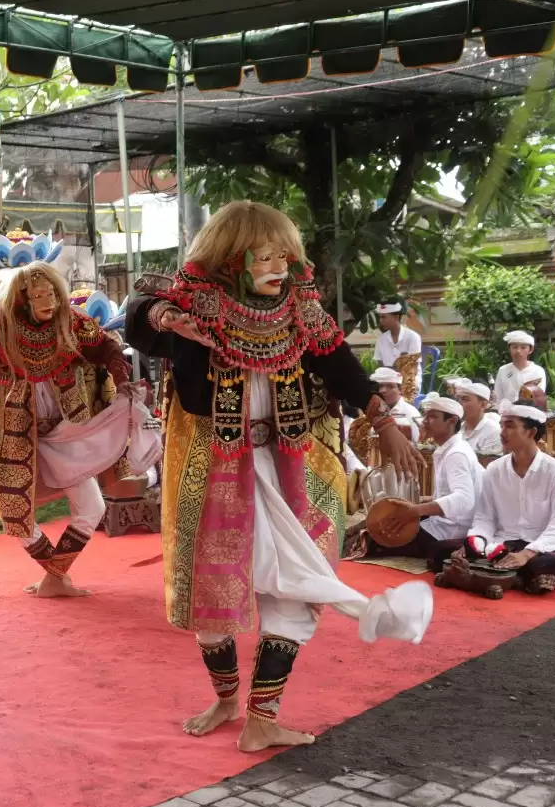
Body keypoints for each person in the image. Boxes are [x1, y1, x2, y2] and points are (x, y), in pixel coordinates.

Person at [125, 200, 431, 754]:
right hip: (214, 468)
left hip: (287, 468)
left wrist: (382, 420)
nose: (279, 269)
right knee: (210, 596)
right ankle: (224, 699)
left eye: (285, 257)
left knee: (296, 582)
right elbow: (138, 315)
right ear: (231, 259)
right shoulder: (194, 305)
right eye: (265, 257)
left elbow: (339, 363)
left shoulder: (301, 310)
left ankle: (261, 717)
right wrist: (170, 321)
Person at [0, 262, 161, 598]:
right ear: (23, 299)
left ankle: (54, 576)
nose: (48, 300)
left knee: (93, 509)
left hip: (68, 432)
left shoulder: (72, 321)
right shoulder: (0, 323)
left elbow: (108, 348)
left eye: (52, 292)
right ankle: (55, 576)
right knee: (14, 513)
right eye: (39, 295)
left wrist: (123, 379)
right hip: (18, 433)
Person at [441, 404, 555, 594]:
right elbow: (484, 518)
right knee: (443, 549)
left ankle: (487, 576)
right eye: (502, 425)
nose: (502, 432)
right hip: (500, 543)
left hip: (538, 547)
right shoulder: (494, 469)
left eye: (510, 426)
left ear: (531, 432)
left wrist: (526, 554)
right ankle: (513, 578)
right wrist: (475, 542)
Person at [373, 394, 483, 567]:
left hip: (449, 531)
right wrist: (424, 502)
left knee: (376, 535)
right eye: (426, 416)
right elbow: (452, 495)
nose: (424, 421)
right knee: (387, 520)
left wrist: (415, 510)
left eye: (432, 417)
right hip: (443, 524)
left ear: (451, 420)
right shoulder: (452, 449)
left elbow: (464, 499)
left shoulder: (457, 454)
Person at [494, 331, 546, 405]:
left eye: (523, 347)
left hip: (530, 412)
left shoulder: (538, 371)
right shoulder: (503, 370)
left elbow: (538, 397)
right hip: (507, 413)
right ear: (509, 349)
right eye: (514, 347)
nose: (518, 351)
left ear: (530, 350)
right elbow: (498, 397)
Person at [370, 367, 421, 441]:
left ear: (400, 390)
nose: (383, 391)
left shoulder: (411, 413)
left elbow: (419, 445)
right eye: (380, 386)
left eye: (390, 386)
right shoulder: (368, 411)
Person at [453, 381, 502, 456]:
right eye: (459, 399)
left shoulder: (493, 432)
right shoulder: (456, 429)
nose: (460, 403)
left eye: (465, 399)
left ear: (483, 405)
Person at [373, 300, 422, 369]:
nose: (380, 320)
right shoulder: (381, 339)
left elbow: (413, 367)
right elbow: (380, 366)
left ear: (396, 317)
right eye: (380, 317)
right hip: (387, 378)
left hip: (408, 378)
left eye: (383, 317)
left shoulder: (413, 337)